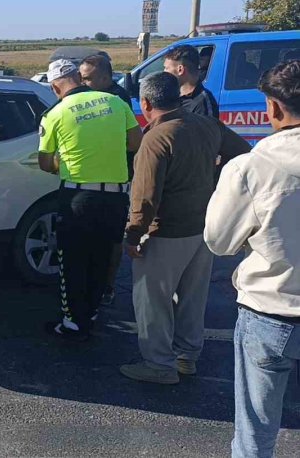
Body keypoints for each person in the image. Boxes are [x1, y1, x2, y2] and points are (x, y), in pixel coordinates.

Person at [119, 72, 250, 385]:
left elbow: (145, 196)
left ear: (146, 103)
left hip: (165, 232)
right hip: (202, 227)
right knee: (193, 297)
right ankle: (186, 357)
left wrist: (133, 234)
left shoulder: (156, 138)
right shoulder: (206, 125)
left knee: (152, 301)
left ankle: (158, 364)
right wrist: (216, 180)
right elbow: (244, 154)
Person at [204, 60, 300, 458]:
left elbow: (220, 241)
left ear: (273, 109)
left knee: (255, 433)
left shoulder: (250, 167)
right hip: (271, 311)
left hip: (271, 309)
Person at [38, 59, 143, 341]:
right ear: (77, 77)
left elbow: (45, 163)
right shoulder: (115, 102)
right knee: (100, 257)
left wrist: (63, 161)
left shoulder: (55, 113)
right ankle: (92, 311)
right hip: (115, 198)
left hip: (78, 197)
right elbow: (136, 143)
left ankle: (73, 322)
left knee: (72, 261)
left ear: (54, 86)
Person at [80, 54, 135, 306]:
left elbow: (131, 141)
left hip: (114, 180)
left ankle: (108, 285)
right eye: (82, 78)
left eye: (88, 78)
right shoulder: (87, 96)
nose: (84, 83)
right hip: (92, 178)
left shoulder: (118, 100)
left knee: (112, 237)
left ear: (105, 76)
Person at [163, 45, 220, 119]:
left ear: (180, 70)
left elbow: (207, 130)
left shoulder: (202, 103)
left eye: (167, 68)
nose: (164, 72)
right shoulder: (171, 95)